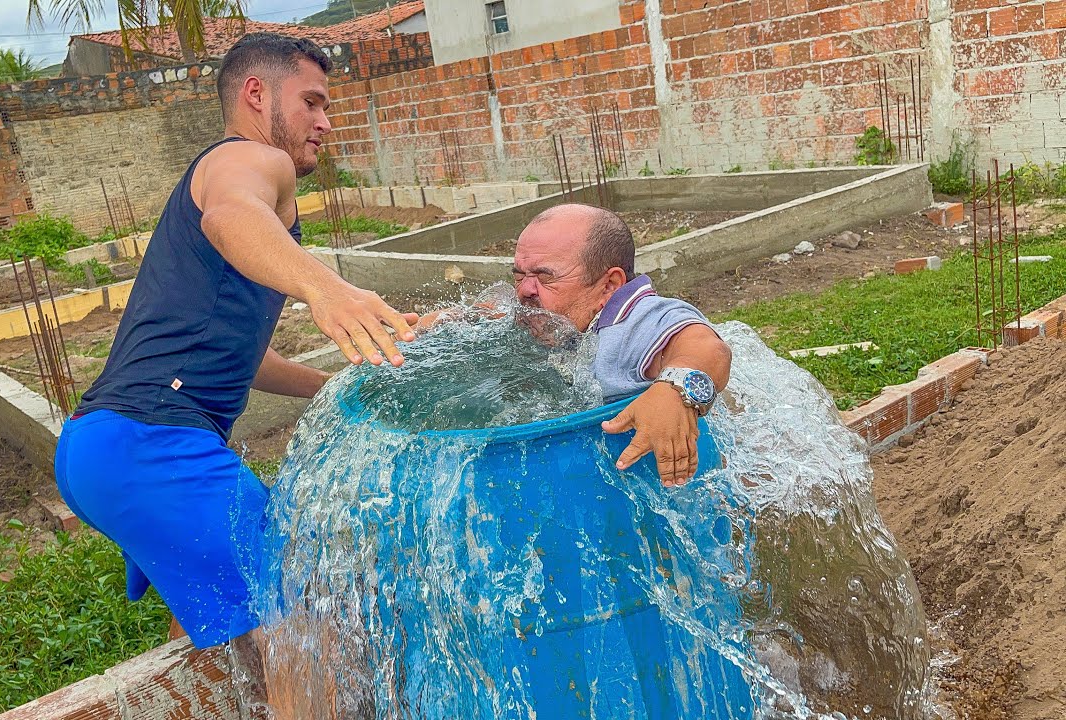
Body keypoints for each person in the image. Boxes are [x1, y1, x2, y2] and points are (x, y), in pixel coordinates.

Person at [52, 31, 417, 680]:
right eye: (312, 101)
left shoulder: (249, 181)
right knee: (310, 626)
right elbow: (229, 214)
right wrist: (326, 287)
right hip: (151, 444)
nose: (326, 122)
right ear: (256, 94)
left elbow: (246, 359)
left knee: (224, 637)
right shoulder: (251, 163)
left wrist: (337, 383)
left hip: (103, 444)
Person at [428, 203, 732, 487]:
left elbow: (707, 348)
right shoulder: (558, 315)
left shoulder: (637, 320)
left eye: (545, 278)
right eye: (520, 275)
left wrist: (676, 391)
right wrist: (430, 323)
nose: (524, 291)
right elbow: (493, 310)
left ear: (609, 285)